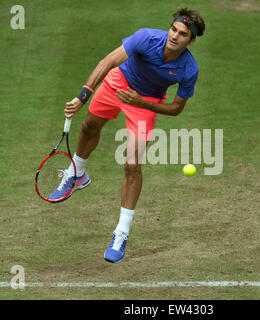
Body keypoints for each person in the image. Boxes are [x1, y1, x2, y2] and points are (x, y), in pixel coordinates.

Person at [52, 8, 205, 263]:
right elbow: (108, 62)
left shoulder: (189, 69)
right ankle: (76, 174)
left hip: (146, 102)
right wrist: (83, 96)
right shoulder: (146, 37)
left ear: (191, 40)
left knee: (132, 165)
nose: (175, 36)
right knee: (90, 126)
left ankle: (121, 233)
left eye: (183, 34)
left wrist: (142, 103)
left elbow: (177, 109)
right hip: (118, 82)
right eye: (174, 29)